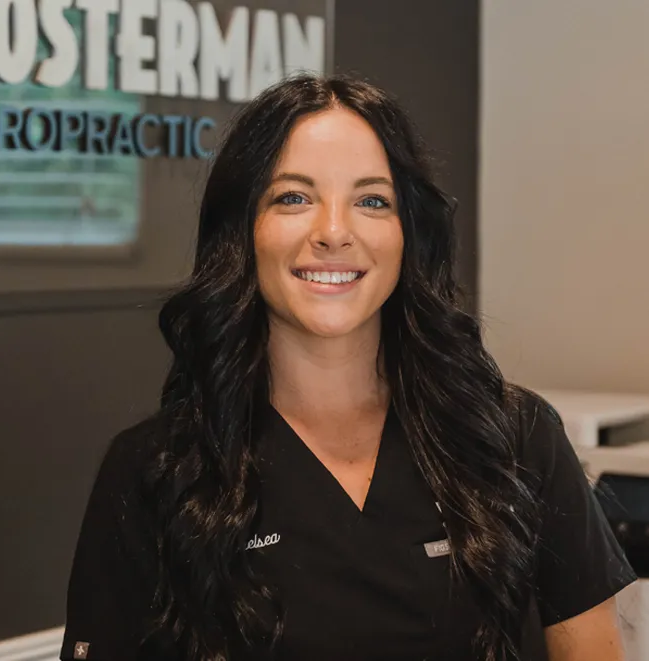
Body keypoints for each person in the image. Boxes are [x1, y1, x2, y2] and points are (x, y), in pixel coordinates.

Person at [60, 74, 636, 661]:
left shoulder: (517, 439)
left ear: (408, 232)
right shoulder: (157, 470)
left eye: (371, 201)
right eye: (293, 198)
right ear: (242, 230)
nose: (334, 233)